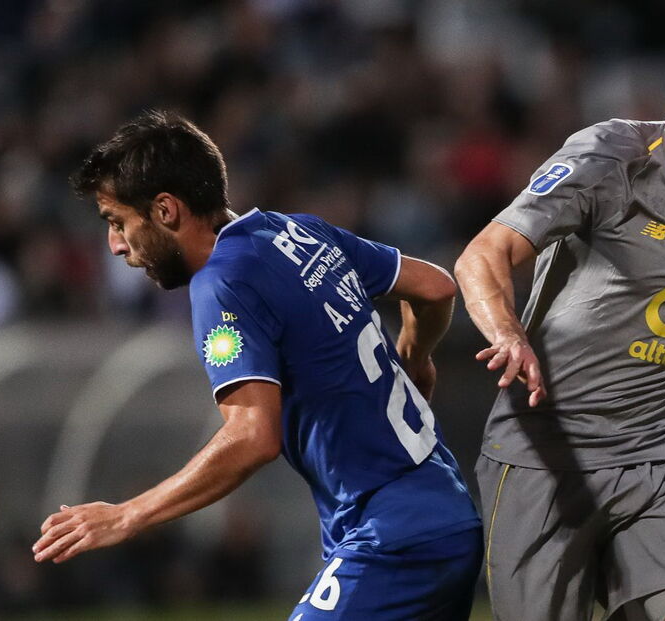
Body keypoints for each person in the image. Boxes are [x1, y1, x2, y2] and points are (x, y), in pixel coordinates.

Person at [32, 110, 482, 620]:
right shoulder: (298, 231)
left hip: (392, 536)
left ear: (164, 210)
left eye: (118, 222)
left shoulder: (222, 282)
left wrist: (127, 515)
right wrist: (415, 356)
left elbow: (253, 435)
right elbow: (436, 287)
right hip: (443, 509)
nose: (116, 245)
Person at [454, 27, 665, 621]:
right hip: (546, 458)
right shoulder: (608, 159)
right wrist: (507, 332)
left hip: (662, 456)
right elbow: (483, 256)